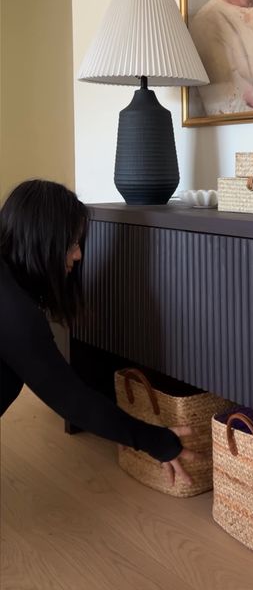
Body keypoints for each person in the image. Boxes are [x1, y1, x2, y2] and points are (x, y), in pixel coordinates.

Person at [0, 179, 198, 485]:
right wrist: (156, 440)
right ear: (42, 241)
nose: (78, 255)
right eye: (71, 243)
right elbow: (71, 399)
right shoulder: (14, 311)